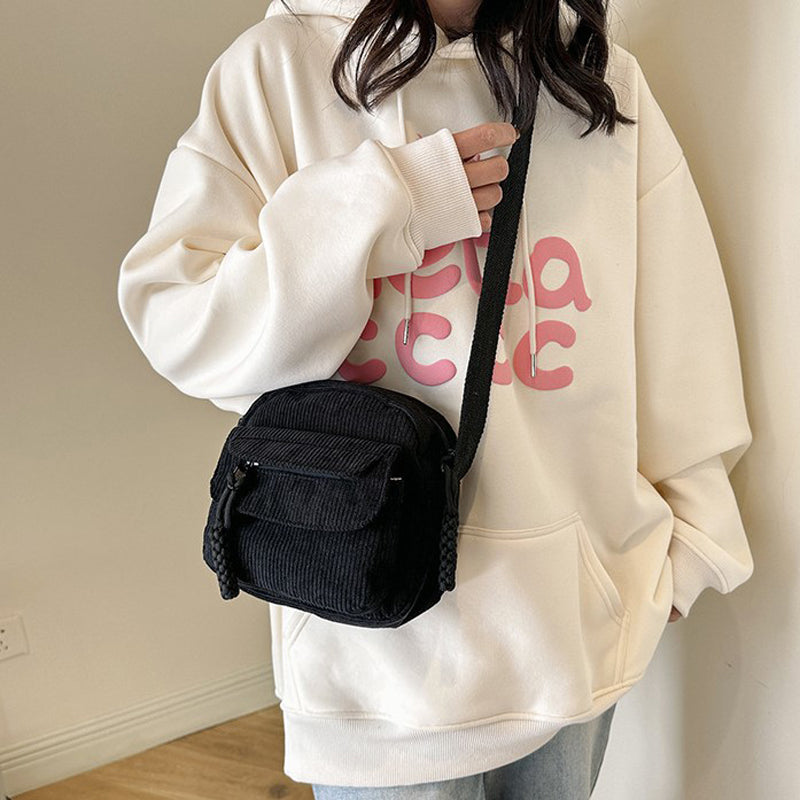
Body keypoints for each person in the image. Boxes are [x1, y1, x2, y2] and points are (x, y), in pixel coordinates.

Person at [117, 0, 755, 796]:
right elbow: (180, 321)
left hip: (572, 632)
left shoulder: (595, 77)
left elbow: (675, 313)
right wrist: (382, 205)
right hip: (370, 656)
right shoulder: (274, 68)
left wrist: (694, 533)